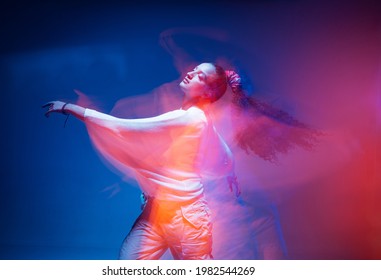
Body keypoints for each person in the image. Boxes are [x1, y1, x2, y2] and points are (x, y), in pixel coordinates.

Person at [43, 62, 241, 260]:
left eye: (200, 76)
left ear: (208, 92)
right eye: (194, 70)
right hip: (156, 213)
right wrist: (230, 172)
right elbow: (222, 149)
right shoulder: (200, 118)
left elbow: (121, 127)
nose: (190, 74)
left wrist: (70, 108)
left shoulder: (191, 118)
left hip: (186, 218)